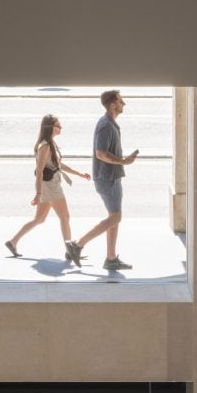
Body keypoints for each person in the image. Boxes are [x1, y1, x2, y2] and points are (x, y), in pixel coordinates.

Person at [65, 89, 138, 270]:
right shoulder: (106, 125)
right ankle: (77, 245)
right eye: (121, 101)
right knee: (115, 217)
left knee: (114, 217)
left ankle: (111, 259)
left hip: (112, 177)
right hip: (107, 179)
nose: (124, 103)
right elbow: (101, 153)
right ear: (113, 105)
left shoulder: (110, 123)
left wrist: (122, 161)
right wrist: (123, 161)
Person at [5, 113, 90, 259]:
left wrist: (79, 174)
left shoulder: (51, 143)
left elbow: (58, 165)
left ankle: (12, 242)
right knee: (65, 216)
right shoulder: (45, 146)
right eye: (58, 125)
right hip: (50, 186)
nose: (61, 128)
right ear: (50, 127)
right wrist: (38, 194)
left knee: (39, 219)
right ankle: (70, 251)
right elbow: (39, 171)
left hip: (50, 184)